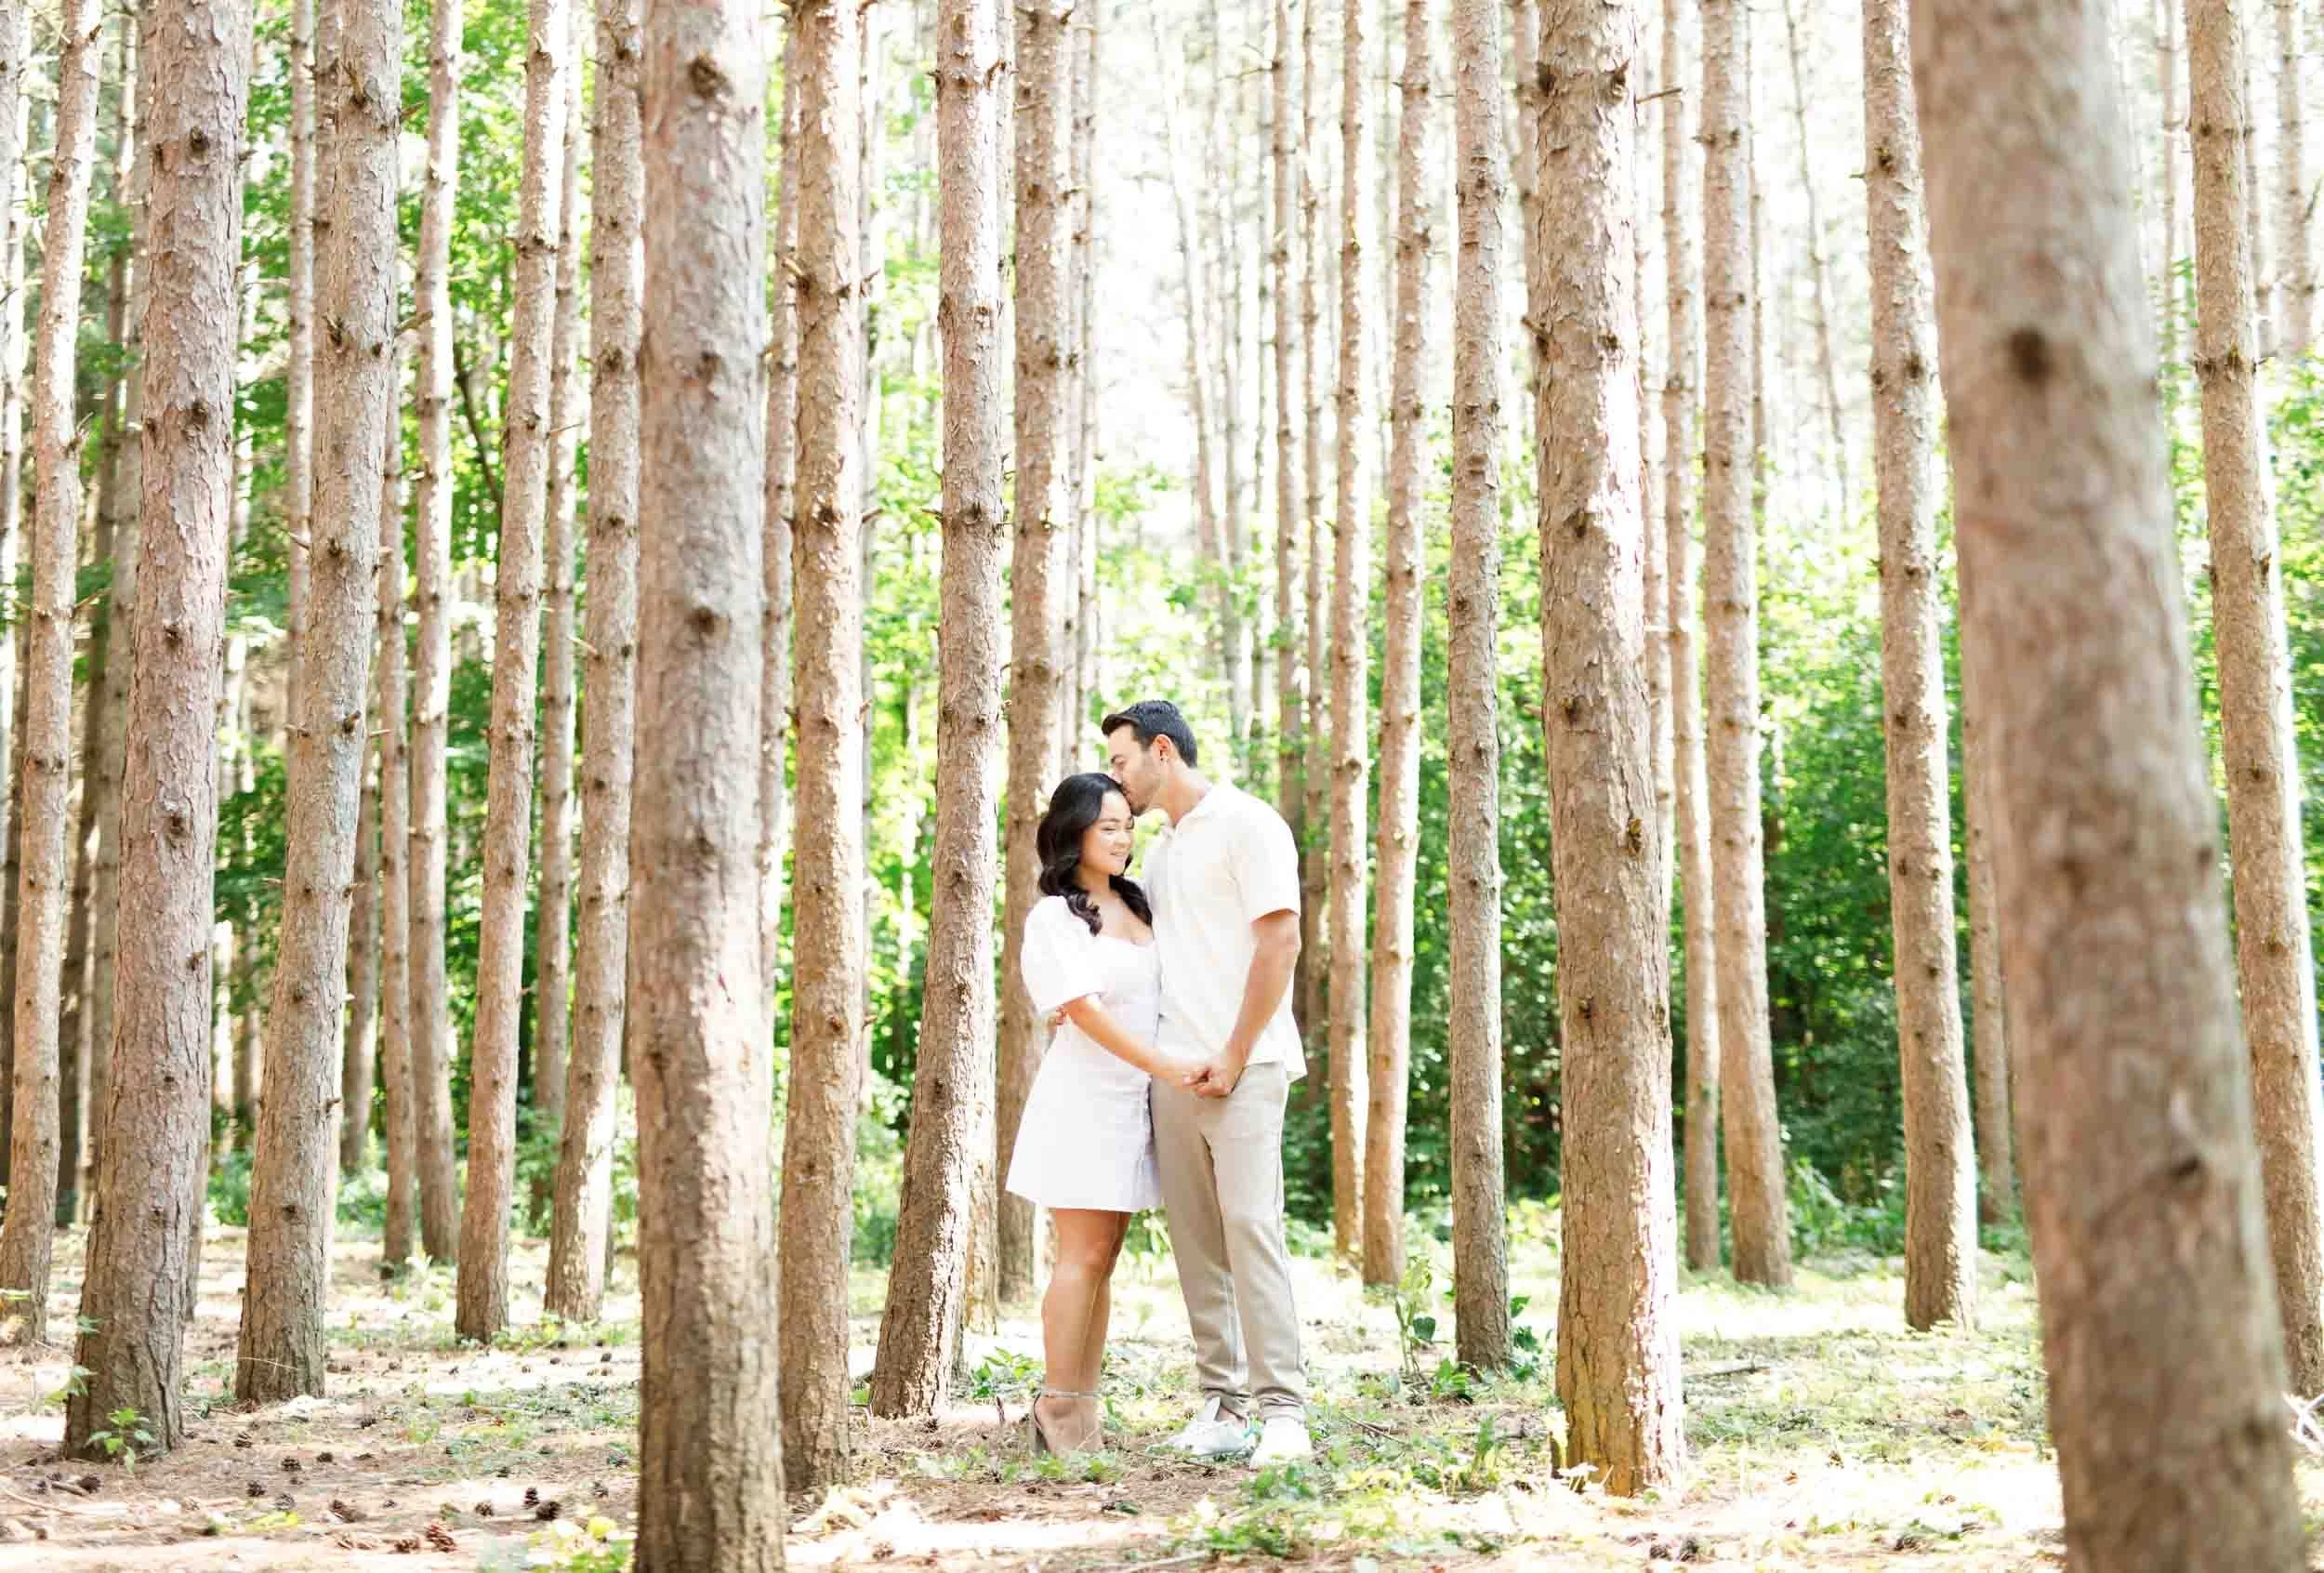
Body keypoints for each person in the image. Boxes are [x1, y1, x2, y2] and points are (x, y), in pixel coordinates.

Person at [1101, 700, 1313, 1467]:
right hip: (1175, 1071)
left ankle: (1283, 1412)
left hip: (1246, 1067)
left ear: (1163, 750)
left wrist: (1232, 1051)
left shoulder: (1249, 824)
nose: (1116, 781)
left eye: (1123, 762)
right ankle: (1222, 1407)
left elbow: (1280, 941)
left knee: (1253, 1229)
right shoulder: (1161, 853)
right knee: (1197, 1245)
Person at [1004, 773, 1189, 1456]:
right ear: (1074, 831)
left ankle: (1081, 1402)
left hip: (1136, 1106)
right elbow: (1082, 1010)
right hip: (1084, 1101)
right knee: (1080, 1255)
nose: (1121, 835)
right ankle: (1059, 1407)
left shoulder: (1142, 904)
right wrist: (1162, 1065)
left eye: (1126, 823)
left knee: (1104, 1257)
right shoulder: (1056, 916)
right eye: (1106, 824)